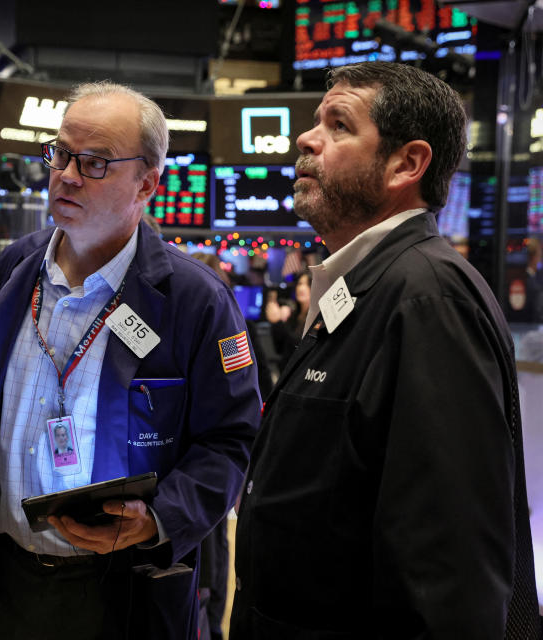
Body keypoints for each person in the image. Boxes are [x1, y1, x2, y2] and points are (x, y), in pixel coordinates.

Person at [231, 62, 540, 638]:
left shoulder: (428, 297)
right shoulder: (369, 283)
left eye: (339, 124)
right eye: (316, 121)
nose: (306, 137)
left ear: (407, 163)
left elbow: (451, 572)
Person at [0, 81, 260, 640]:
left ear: (146, 185)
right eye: (61, 153)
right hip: (8, 574)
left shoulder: (194, 300)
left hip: (124, 586)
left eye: (94, 163)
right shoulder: (18, 266)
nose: (66, 174)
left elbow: (231, 439)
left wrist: (160, 516)